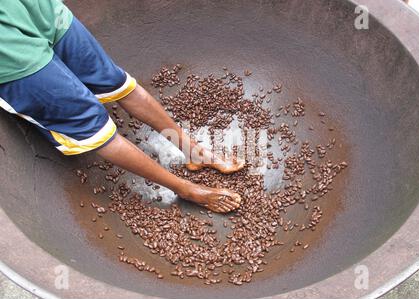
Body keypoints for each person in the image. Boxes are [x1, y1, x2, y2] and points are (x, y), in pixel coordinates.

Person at [0, 0, 244, 213]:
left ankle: (193, 151)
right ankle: (186, 189)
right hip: (8, 49)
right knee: (93, 126)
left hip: (31, 6)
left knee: (115, 82)